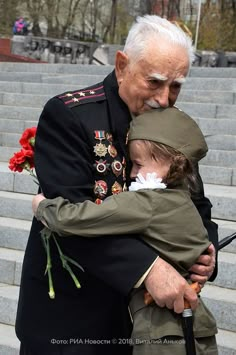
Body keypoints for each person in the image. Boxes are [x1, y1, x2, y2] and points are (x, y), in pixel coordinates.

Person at [15, 15, 218, 355]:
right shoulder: (71, 115)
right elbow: (72, 220)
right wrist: (149, 269)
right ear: (122, 65)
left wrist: (205, 252)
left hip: (147, 325)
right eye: (154, 82)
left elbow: (197, 205)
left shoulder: (173, 128)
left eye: (177, 85)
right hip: (73, 318)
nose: (165, 98)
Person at [32, 107, 218, 355]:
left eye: (138, 164)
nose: (131, 174)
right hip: (195, 322)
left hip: (161, 327)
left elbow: (76, 219)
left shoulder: (146, 202)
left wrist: (43, 206)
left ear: (170, 163)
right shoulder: (181, 196)